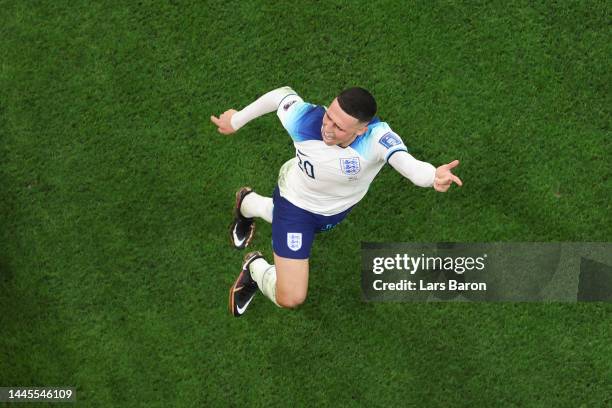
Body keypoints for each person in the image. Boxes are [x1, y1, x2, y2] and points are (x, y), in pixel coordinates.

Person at [211, 86, 462, 317]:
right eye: (328, 115)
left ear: (361, 130)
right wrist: (236, 120)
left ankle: (246, 202)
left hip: (334, 209)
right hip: (295, 203)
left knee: (282, 219)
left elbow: (409, 165)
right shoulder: (306, 119)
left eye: (339, 127)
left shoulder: (376, 138)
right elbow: (281, 96)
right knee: (291, 297)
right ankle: (255, 267)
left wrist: (432, 176)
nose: (327, 128)